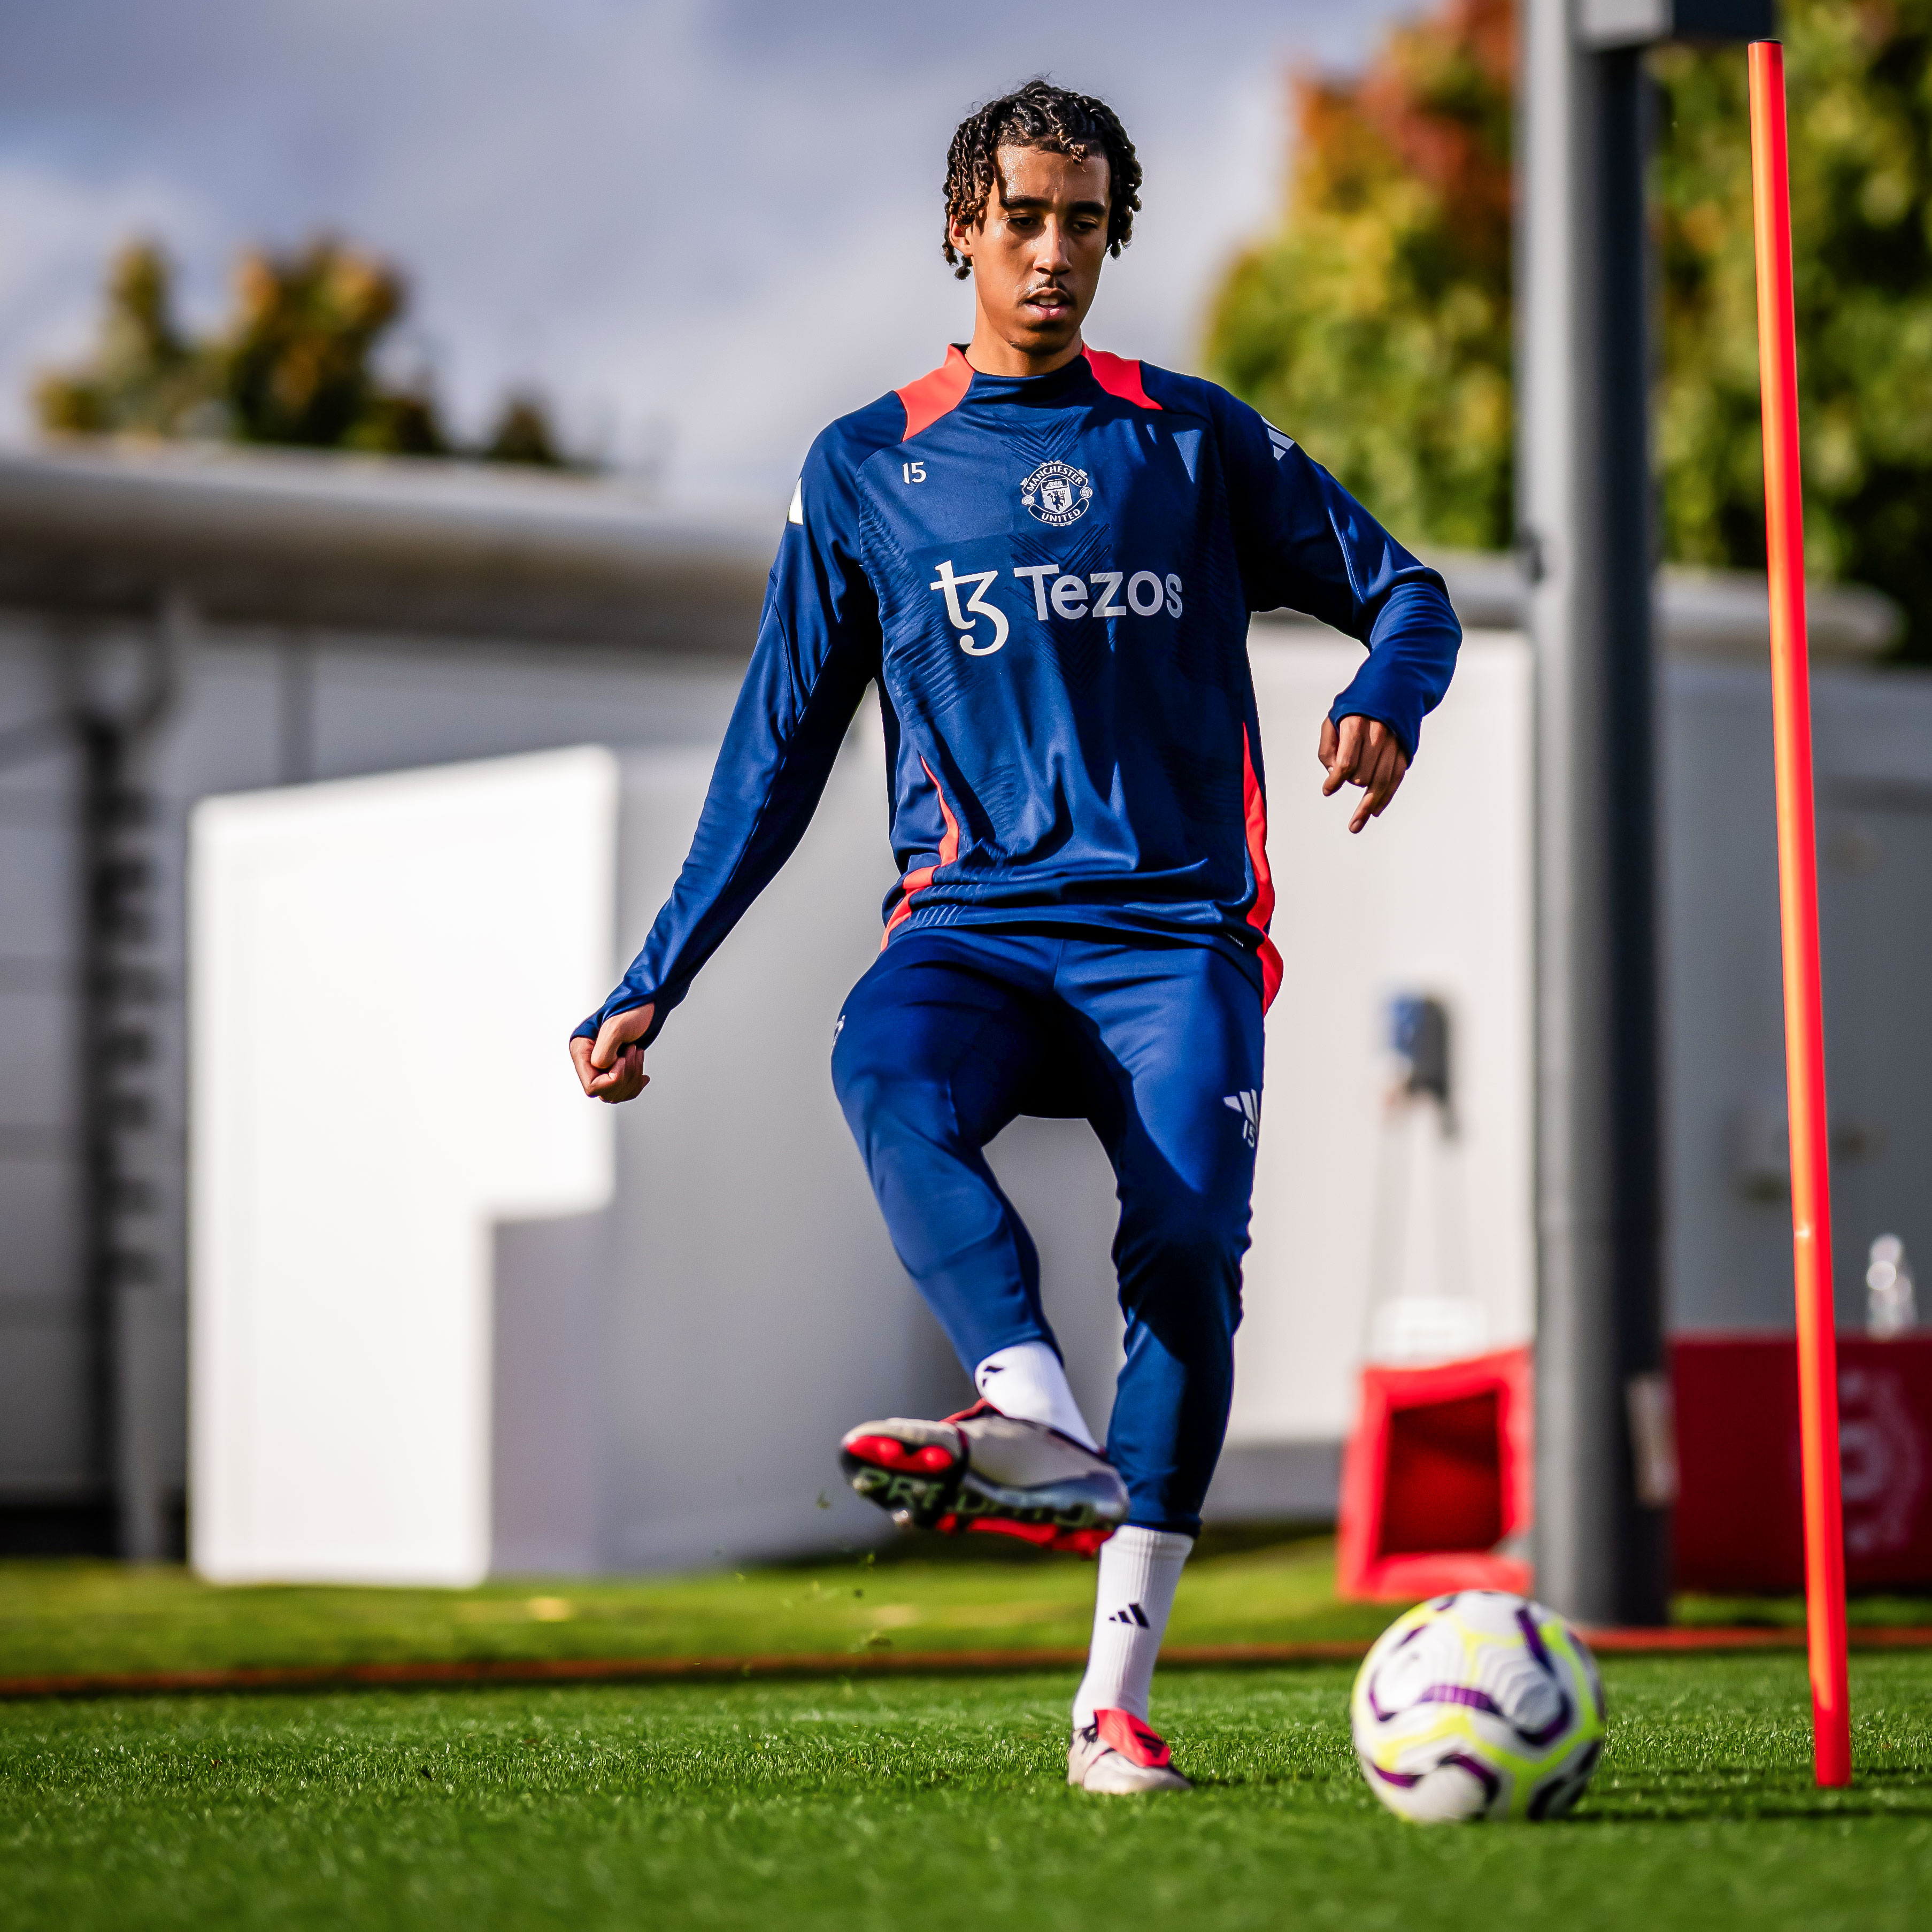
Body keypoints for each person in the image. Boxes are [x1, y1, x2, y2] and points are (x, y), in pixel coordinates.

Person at [571, 79, 1459, 1795]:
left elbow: (1406, 592)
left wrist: (1389, 694)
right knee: (880, 1063)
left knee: (1186, 1253)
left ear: (1115, 237)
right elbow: (774, 757)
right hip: (974, 930)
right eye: (1024, 220)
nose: (1055, 255)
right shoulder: (866, 467)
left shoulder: (1191, 441)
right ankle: (1027, 1398)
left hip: (1174, 937)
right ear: (962, 231)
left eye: (1085, 224)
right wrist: (654, 976)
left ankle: (1113, 1701)